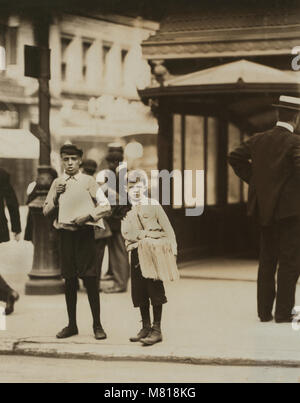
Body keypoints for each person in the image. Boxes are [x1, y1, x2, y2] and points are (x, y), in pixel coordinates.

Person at [228, 95, 300, 324]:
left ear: (279, 115)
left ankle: (264, 312)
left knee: (267, 260)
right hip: (291, 213)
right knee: (289, 261)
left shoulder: (257, 140)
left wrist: (257, 181)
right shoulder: (295, 142)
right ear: (296, 118)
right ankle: (283, 313)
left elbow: (234, 157)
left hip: (264, 210)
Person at [43, 144, 111, 340]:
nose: (70, 163)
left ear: (80, 160)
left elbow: (105, 206)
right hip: (65, 235)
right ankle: (72, 325)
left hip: (84, 234)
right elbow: (46, 210)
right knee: (69, 280)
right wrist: (56, 194)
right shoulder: (57, 182)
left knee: (90, 279)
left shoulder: (88, 181)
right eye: (66, 159)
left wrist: (88, 216)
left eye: (73, 159)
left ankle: (97, 325)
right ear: (61, 161)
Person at [121, 171, 178, 346]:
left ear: (145, 187)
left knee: (155, 289)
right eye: (131, 187)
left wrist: (173, 251)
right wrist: (138, 237)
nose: (135, 190)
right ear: (126, 189)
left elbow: (167, 228)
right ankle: (145, 326)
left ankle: (157, 329)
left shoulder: (153, 205)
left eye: (139, 186)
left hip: (154, 253)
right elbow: (127, 234)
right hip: (137, 253)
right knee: (139, 291)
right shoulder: (129, 210)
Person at [97, 145, 130, 294]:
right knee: (118, 251)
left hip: (118, 219)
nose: (108, 165)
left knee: (119, 252)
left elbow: (119, 200)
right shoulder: (123, 174)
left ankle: (120, 283)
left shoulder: (116, 177)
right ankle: (119, 279)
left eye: (110, 162)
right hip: (122, 218)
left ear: (115, 162)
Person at [0, 168, 21, 315]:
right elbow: (12, 200)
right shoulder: (1, 173)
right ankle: (8, 294)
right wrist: (16, 227)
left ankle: (8, 293)